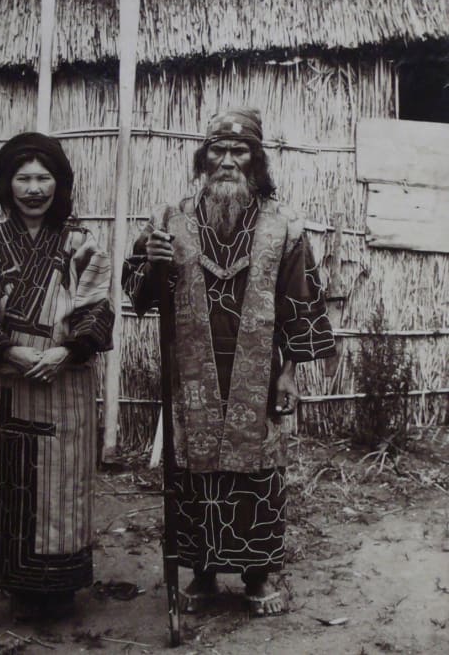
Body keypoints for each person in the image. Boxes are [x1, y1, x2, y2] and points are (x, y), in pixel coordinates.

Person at [123, 108, 335, 616]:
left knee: (258, 472)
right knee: (194, 471)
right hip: (192, 373)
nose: (227, 161)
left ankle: (259, 575)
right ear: (204, 156)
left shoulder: (284, 227)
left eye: (239, 151)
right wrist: (152, 261)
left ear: (256, 160)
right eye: (217, 150)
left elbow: (301, 302)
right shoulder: (169, 221)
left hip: (259, 374)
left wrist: (289, 374)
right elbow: (140, 296)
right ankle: (202, 573)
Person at [0, 132, 114, 619]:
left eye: (44, 178)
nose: (34, 188)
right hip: (11, 383)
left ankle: (62, 587)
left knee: (64, 481)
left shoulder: (82, 245)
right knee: (15, 477)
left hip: (67, 383)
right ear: (7, 184)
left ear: (59, 184)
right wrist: (15, 353)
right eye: (23, 178)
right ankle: (22, 586)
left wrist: (65, 351)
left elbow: (97, 305)